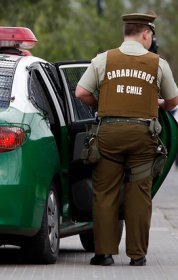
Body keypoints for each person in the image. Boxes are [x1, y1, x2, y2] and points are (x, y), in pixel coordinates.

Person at [75, 11, 178, 266]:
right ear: (146, 34)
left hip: (109, 135)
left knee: (105, 193)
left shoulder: (103, 60)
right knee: (139, 195)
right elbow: (174, 101)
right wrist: (156, 103)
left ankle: (104, 253)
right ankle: (137, 255)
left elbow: (80, 92)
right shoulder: (158, 64)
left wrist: (105, 103)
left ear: (126, 32)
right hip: (143, 136)